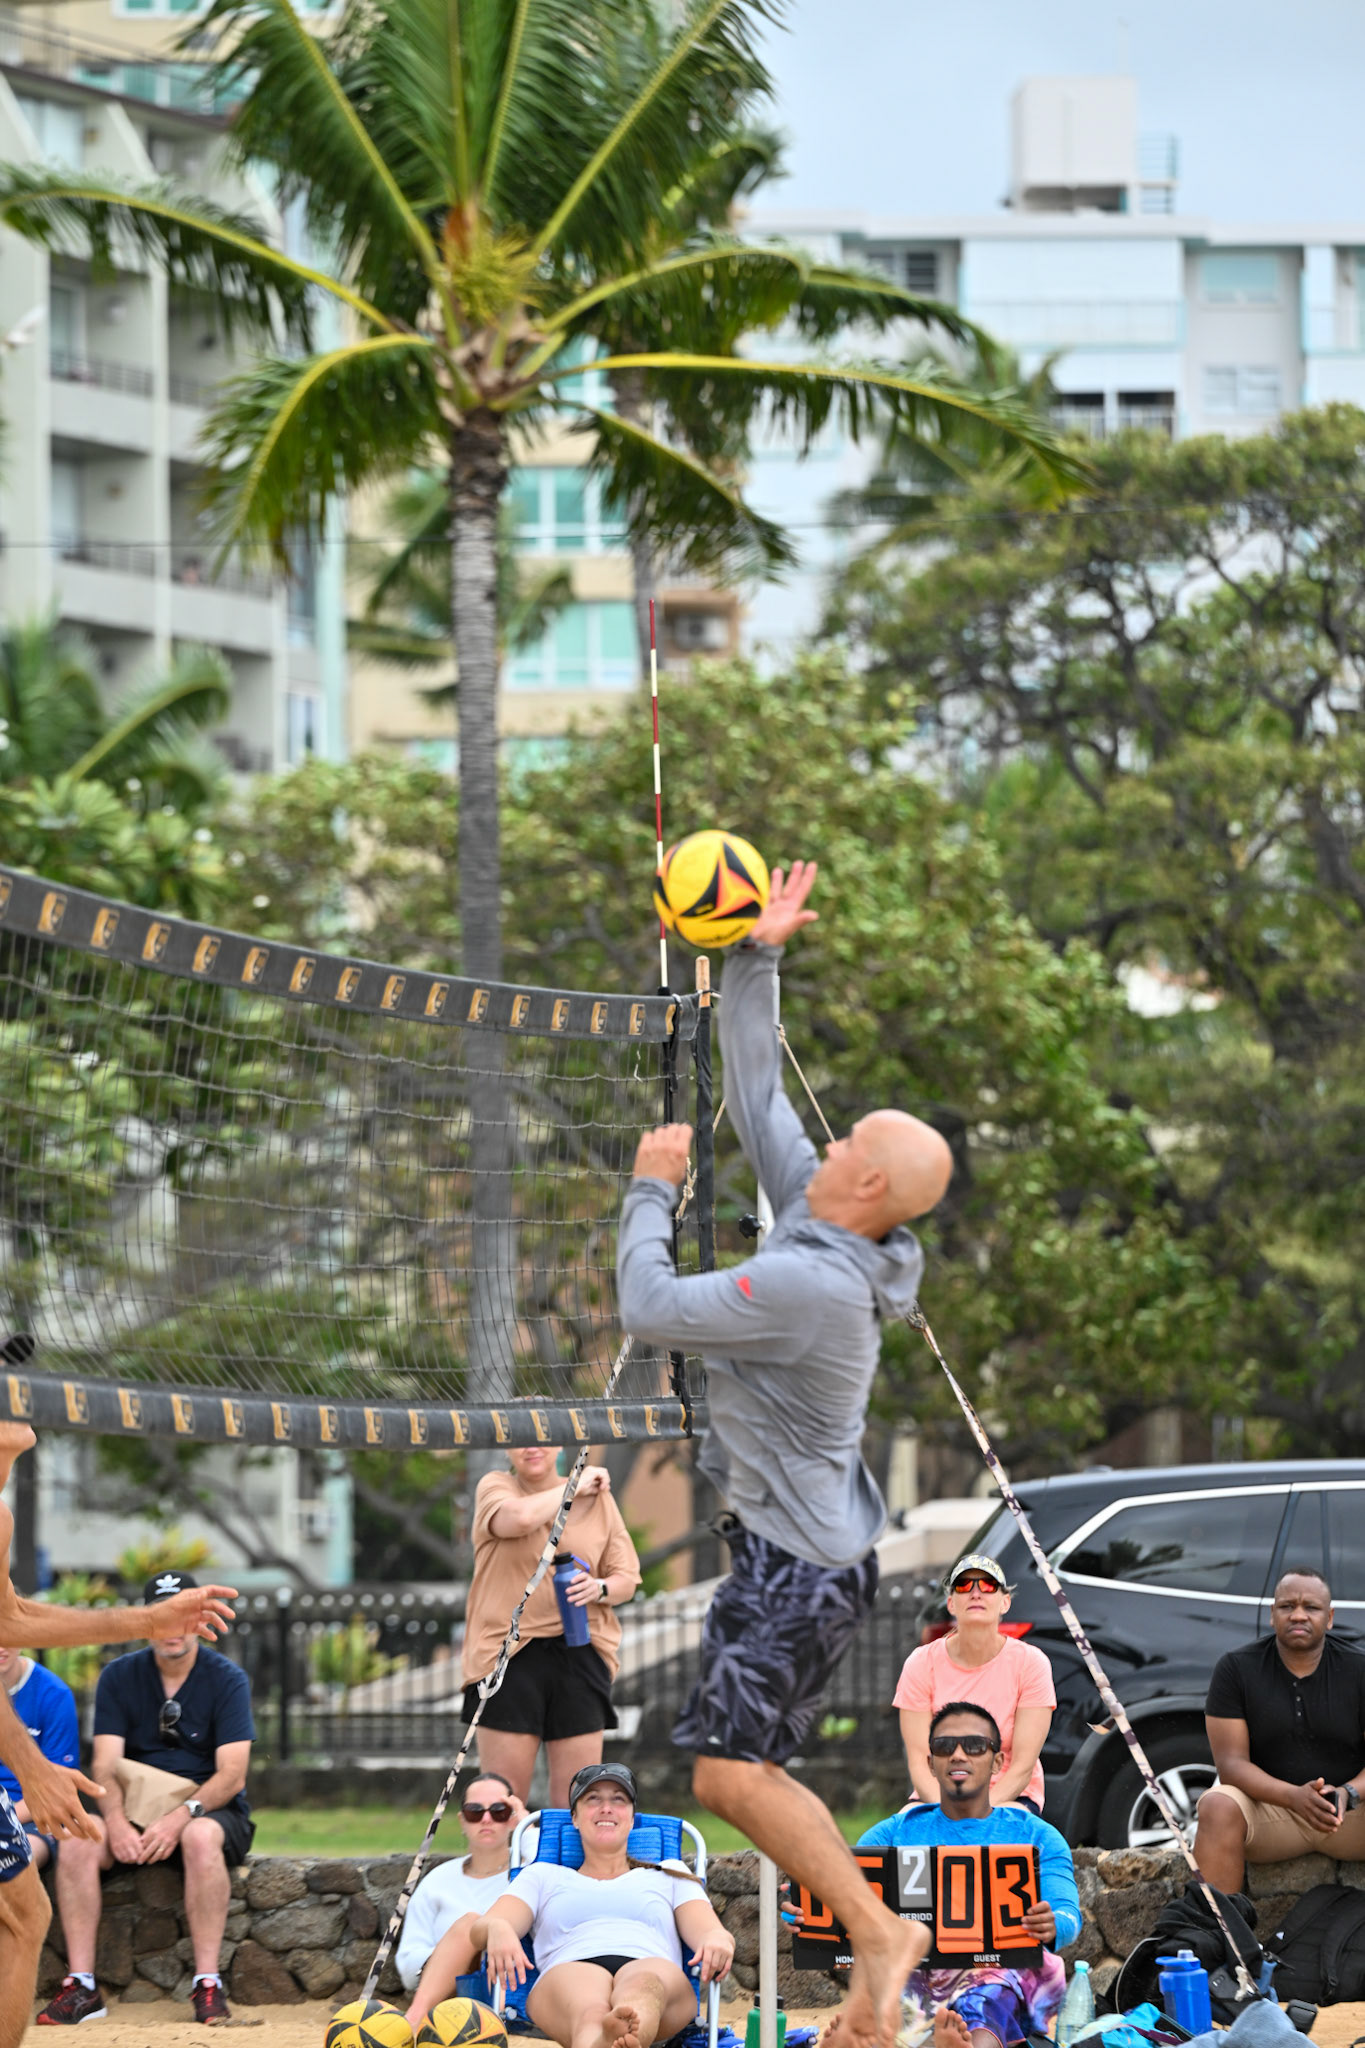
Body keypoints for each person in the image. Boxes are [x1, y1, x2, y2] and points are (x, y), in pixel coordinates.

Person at [616, 860, 955, 2048]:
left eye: (848, 1136)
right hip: (798, 1557)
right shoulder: (825, 1218)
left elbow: (649, 1305)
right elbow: (757, 1090)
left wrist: (650, 1190)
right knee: (738, 1765)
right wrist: (754, 954)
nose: (827, 1134)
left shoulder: (808, 1280)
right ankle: (872, 1981)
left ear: (864, 1181)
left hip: (800, 1569)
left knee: (724, 1773)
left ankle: (875, 1933)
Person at [0, 1420, 237, 2048]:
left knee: (26, 1914)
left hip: (191, 1814)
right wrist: (30, 1768)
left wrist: (147, 1619)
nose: (22, 1397)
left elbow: (12, 1618)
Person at [38, 1570, 254, 2028]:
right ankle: (82, 1986)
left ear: (199, 1620)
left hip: (206, 1809)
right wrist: (113, 1820)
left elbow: (232, 1776)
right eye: (161, 1617)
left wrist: (180, 1816)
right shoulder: (118, 1676)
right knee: (77, 1840)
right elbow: (105, 1765)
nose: (172, 1628)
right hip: (132, 1807)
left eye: (183, 1616)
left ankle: (207, 1983)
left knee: (198, 1838)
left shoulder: (227, 1679)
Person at [847, 1703, 1081, 2048]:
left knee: (992, 1991)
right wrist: (815, 1914)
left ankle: (964, 2041)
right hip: (917, 1978)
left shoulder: (1037, 1836)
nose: (958, 1755)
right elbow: (847, 1895)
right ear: (930, 1763)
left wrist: (1052, 1923)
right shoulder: (893, 1834)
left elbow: (1068, 1915)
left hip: (1002, 1972)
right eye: (944, 1747)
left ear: (998, 1762)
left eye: (973, 1746)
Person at [472, 1762, 733, 2048]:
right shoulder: (542, 1874)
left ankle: (617, 2032)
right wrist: (497, 1927)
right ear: (574, 1817)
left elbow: (709, 1930)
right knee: (588, 2009)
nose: (606, 1808)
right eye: (593, 1799)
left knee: (645, 1985)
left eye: (618, 1800)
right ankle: (620, 2035)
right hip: (570, 1966)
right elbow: (483, 1926)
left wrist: (718, 1941)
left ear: (632, 1819)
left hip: (651, 1966)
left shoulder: (669, 1872)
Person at [463, 1444, 641, 1808]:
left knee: (578, 1800)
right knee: (502, 1803)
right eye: (521, 1437)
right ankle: (507, 1866)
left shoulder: (598, 1498)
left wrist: (599, 1588)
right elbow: (521, 1519)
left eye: (543, 1436)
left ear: (559, 1444)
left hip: (579, 1651)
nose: (532, 1447)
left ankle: (567, 1868)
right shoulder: (496, 1487)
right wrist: (575, 1485)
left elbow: (627, 1578)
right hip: (508, 1653)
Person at [1193, 1568, 1365, 1892]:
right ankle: (1218, 1936)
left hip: (1348, 1815)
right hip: (1272, 1814)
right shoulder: (1236, 1668)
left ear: (1329, 1618)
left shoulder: (1359, 1669)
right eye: (1287, 1606)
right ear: (1272, 1615)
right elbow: (1230, 1765)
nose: (1298, 1615)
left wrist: (1348, 1793)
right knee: (1217, 1804)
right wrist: (1292, 1797)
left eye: (1310, 1607)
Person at [895, 1555, 1055, 1812]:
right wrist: (948, 1812)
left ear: (1005, 1603)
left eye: (988, 1585)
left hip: (1009, 1797)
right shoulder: (920, 1663)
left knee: (1009, 1834)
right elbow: (919, 1762)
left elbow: (1023, 1767)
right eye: (964, 1586)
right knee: (899, 1833)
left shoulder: (1031, 1663)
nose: (976, 1593)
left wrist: (978, 1812)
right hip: (937, 1797)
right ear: (951, 1604)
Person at [400, 1773, 528, 2030]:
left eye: (500, 1811)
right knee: (471, 1924)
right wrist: (453, 1958)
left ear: (513, 1817)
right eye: (474, 1811)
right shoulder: (439, 1879)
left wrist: (528, 1825)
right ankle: (413, 2022)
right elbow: (407, 1962)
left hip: (516, 1987)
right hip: (449, 1996)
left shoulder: (531, 1870)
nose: (487, 1819)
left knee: (475, 1924)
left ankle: (412, 2023)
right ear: (462, 1820)